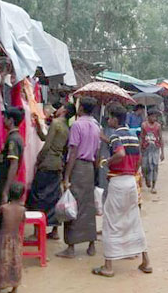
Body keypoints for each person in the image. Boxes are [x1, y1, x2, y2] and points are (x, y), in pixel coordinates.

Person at [92, 104, 152, 278]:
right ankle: (146, 261)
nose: (108, 120)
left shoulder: (116, 136)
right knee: (133, 220)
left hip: (118, 181)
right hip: (131, 181)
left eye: (109, 117)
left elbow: (120, 154)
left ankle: (108, 266)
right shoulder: (133, 135)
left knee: (110, 222)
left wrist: (107, 162)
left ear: (115, 119)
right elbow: (138, 158)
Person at [56, 97, 101, 258]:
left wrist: (66, 176)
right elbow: (97, 152)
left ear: (81, 108)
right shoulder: (97, 126)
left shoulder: (76, 125)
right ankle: (91, 245)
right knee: (88, 206)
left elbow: (73, 152)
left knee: (71, 204)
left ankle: (71, 247)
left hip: (78, 167)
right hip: (90, 168)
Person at [28, 103, 75, 240]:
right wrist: (37, 124)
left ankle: (37, 232)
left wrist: (38, 159)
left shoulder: (55, 123)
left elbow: (46, 144)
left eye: (60, 107)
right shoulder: (66, 127)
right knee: (54, 196)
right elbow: (45, 137)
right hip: (57, 164)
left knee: (39, 196)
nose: (57, 109)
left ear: (64, 110)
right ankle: (54, 230)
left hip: (47, 162)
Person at [0, 183, 26, 293]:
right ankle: (14, 288)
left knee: (2, 262)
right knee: (15, 262)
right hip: (16, 239)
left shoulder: (4, 208)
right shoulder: (22, 209)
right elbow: (23, 221)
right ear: (22, 196)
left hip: (3, 238)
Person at [140, 110, 165, 193]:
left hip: (155, 148)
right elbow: (141, 137)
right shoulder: (144, 125)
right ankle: (147, 178)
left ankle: (153, 186)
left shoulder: (158, 126)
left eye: (155, 117)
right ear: (148, 117)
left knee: (155, 167)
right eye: (152, 116)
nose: (154, 118)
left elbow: (161, 138)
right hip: (145, 148)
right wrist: (140, 150)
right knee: (144, 166)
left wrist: (162, 152)